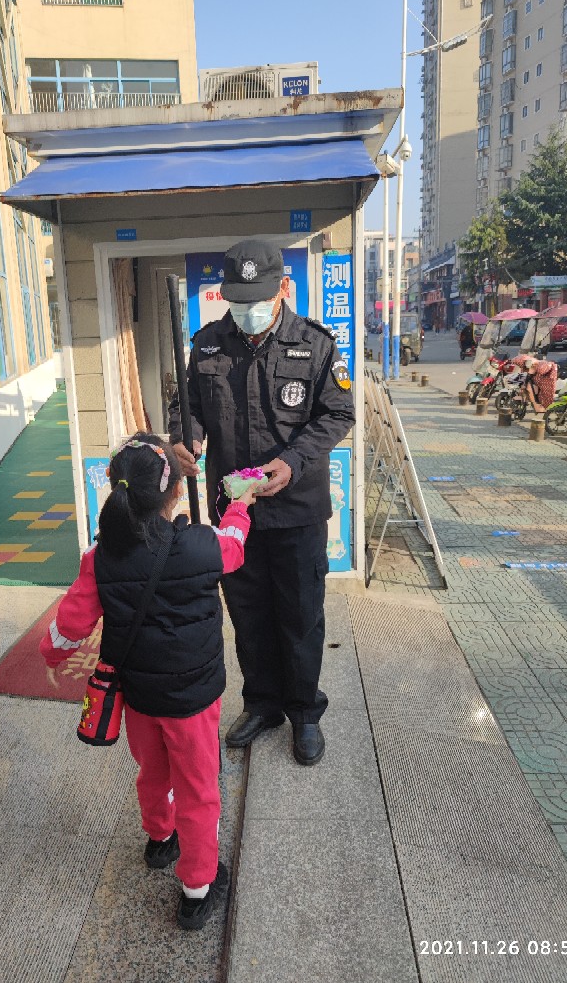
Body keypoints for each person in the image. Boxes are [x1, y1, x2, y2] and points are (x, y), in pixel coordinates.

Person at [39, 433, 259, 931]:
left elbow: (68, 627)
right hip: (194, 699)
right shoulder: (200, 546)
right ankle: (197, 887)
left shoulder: (100, 557)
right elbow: (234, 546)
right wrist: (241, 505)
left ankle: (160, 838)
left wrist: (50, 656)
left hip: (137, 696)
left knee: (152, 770)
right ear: (177, 493)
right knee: (198, 788)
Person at [168, 239, 356, 767]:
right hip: (235, 513)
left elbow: (338, 413)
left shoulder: (315, 345)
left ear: (282, 290)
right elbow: (189, 406)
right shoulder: (208, 345)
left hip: (296, 510)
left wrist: (293, 461)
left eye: (257, 299)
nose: (247, 310)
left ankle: (304, 712)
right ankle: (262, 704)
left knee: (300, 614)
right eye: (238, 300)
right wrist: (186, 438)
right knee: (247, 613)